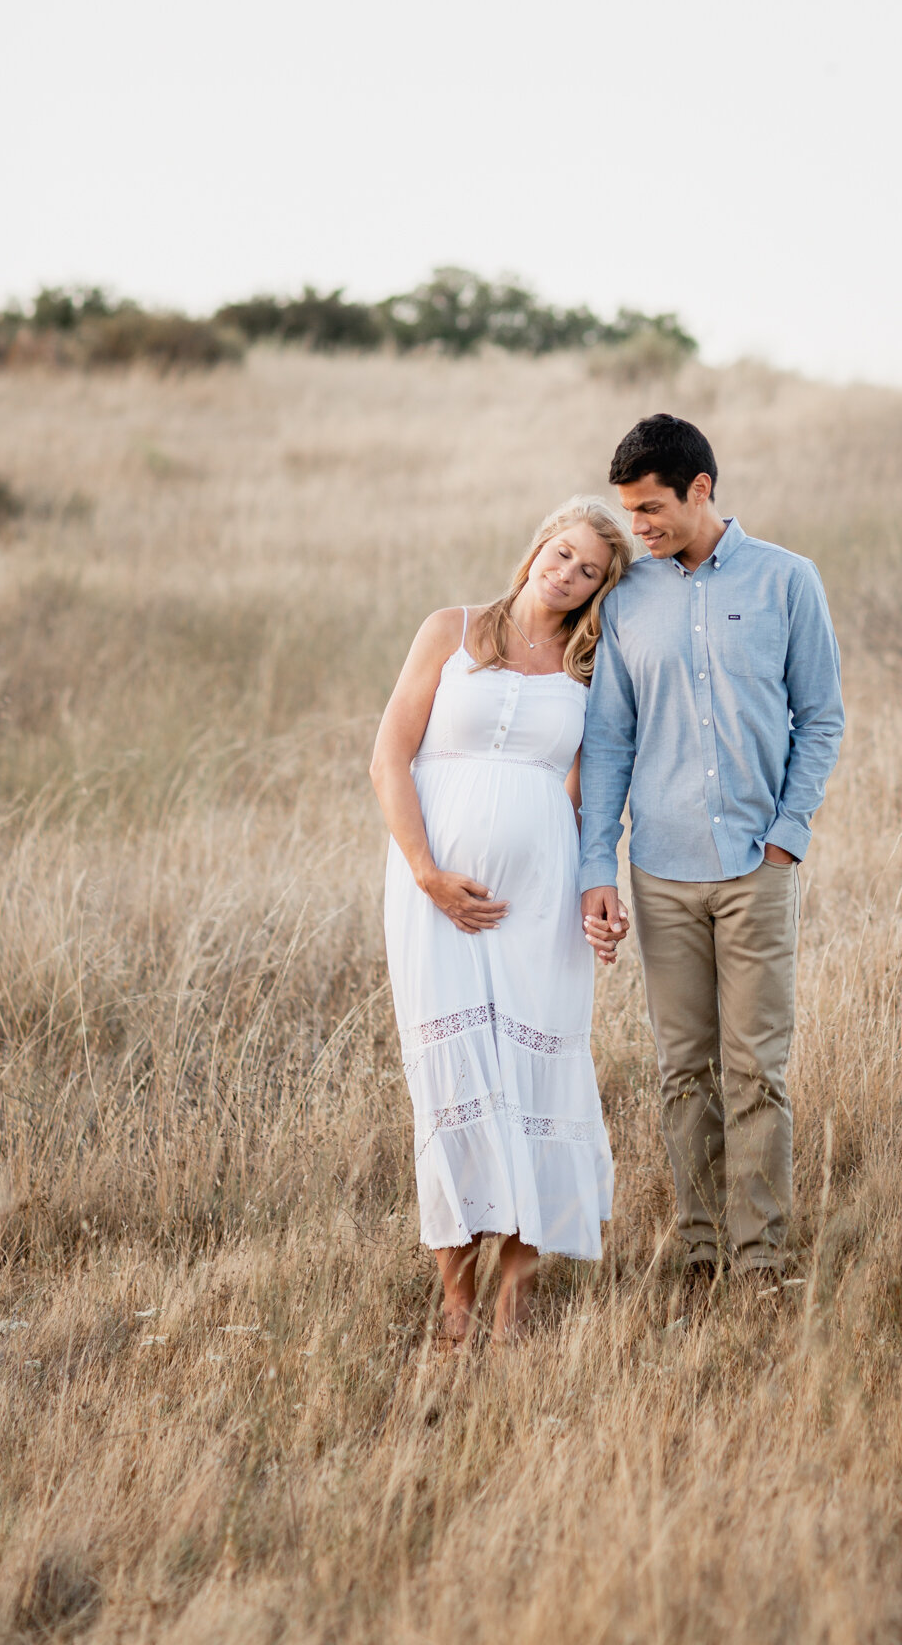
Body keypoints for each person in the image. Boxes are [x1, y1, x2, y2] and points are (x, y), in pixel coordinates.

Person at [579, 414, 844, 1280]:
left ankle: (760, 1255)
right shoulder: (625, 599)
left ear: (701, 490)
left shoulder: (788, 581)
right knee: (681, 1070)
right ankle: (698, 1249)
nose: (639, 528)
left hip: (756, 871)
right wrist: (598, 868)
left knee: (755, 1071)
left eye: (651, 509)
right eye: (629, 512)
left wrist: (787, 838)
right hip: (659, 871)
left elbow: (822, 717)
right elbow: (609, 741)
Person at [370, 497, 636, 1345]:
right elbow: (389, 756)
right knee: (451, 1082)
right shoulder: (450, 631)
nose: (568, 575)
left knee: (532, 1082)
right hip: (435, 895)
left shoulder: (590, 662)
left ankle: (515, 1303)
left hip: (541, 905)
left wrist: (599, 887)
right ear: (536, 549)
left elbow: (595, 794)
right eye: (561, 554)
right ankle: (455, 1301)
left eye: (589, 570)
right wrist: (427, 873)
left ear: (600, 587)